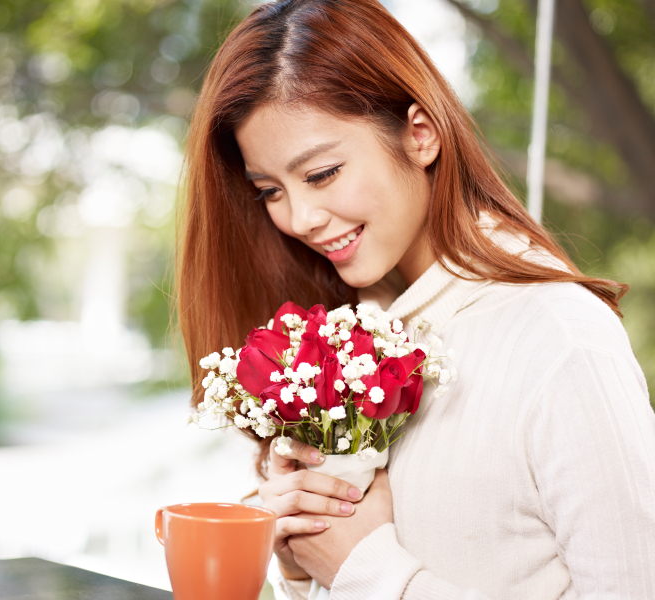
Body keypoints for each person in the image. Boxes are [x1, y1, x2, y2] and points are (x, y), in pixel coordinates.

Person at [175, 0, 655, 598]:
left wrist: (372, 573)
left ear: (420, 135)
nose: (299, 218)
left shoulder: (559, 338)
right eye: (270, 190)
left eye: (321, 174)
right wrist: (302, 561)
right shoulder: (338, 342)